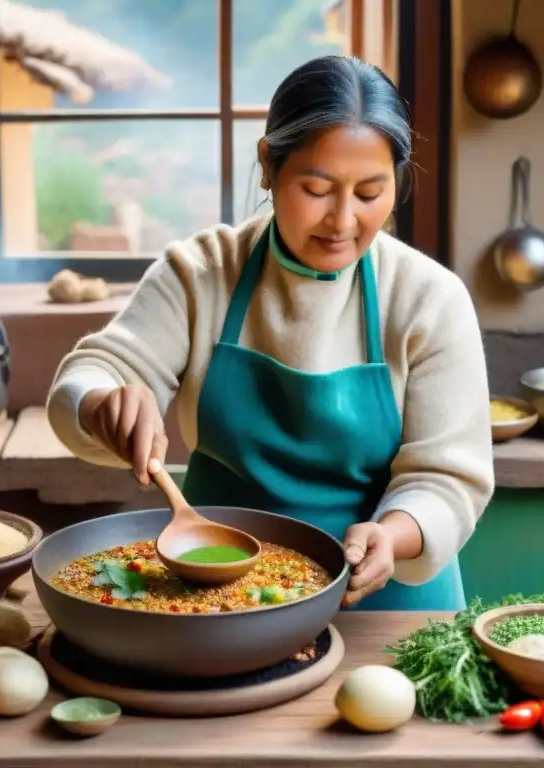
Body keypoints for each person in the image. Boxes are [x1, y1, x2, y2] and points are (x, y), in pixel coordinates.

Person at [47, 55, 494, 611]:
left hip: (386, 601)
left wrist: (395, 534)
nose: (342, 220)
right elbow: (93, 373)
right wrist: (102, 404)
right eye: (317, 188)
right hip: (219, 597)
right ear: (268, 165)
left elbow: (448, 478)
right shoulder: (202, 273)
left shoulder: (429, 298)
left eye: (370, 193)